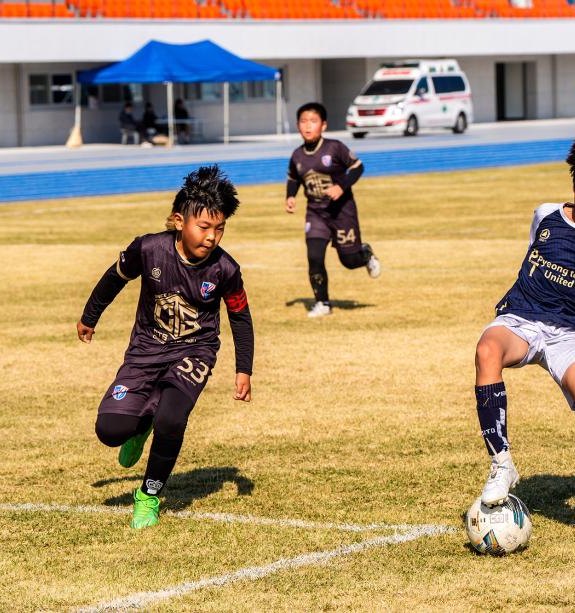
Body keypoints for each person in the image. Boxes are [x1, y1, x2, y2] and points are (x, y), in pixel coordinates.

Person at [473, 140, 575, 532]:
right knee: (486, 351)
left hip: (569, 334)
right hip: (521, 318)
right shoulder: (545, 214)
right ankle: (502, 463)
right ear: (574, 185)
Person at [76, 165, 254, 529]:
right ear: (179, 220)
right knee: (110, 431)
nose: (212, 237)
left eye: (220, 228)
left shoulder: (226, 269)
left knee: (171, 420)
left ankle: (149, 495)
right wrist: (90, 316)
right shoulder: (148, 249)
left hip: (195, 352)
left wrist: (243, 369)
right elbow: (114, 278)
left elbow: (240, 317)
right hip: (146, 350)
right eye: (204, 226)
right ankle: (141, 426)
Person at [285, 102, 381, 318]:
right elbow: (293, 178)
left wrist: (341, 186)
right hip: (316, 213)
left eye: (313, 121)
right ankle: (323, 303)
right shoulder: (297, 155)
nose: (308, 126)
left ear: (324, 125)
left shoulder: (334, 148)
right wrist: (290, 196)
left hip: (342, 212)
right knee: (314, 257)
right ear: (298, 126)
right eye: (303, 121)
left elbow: (357, 167)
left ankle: (365, 254)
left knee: (349, 261)